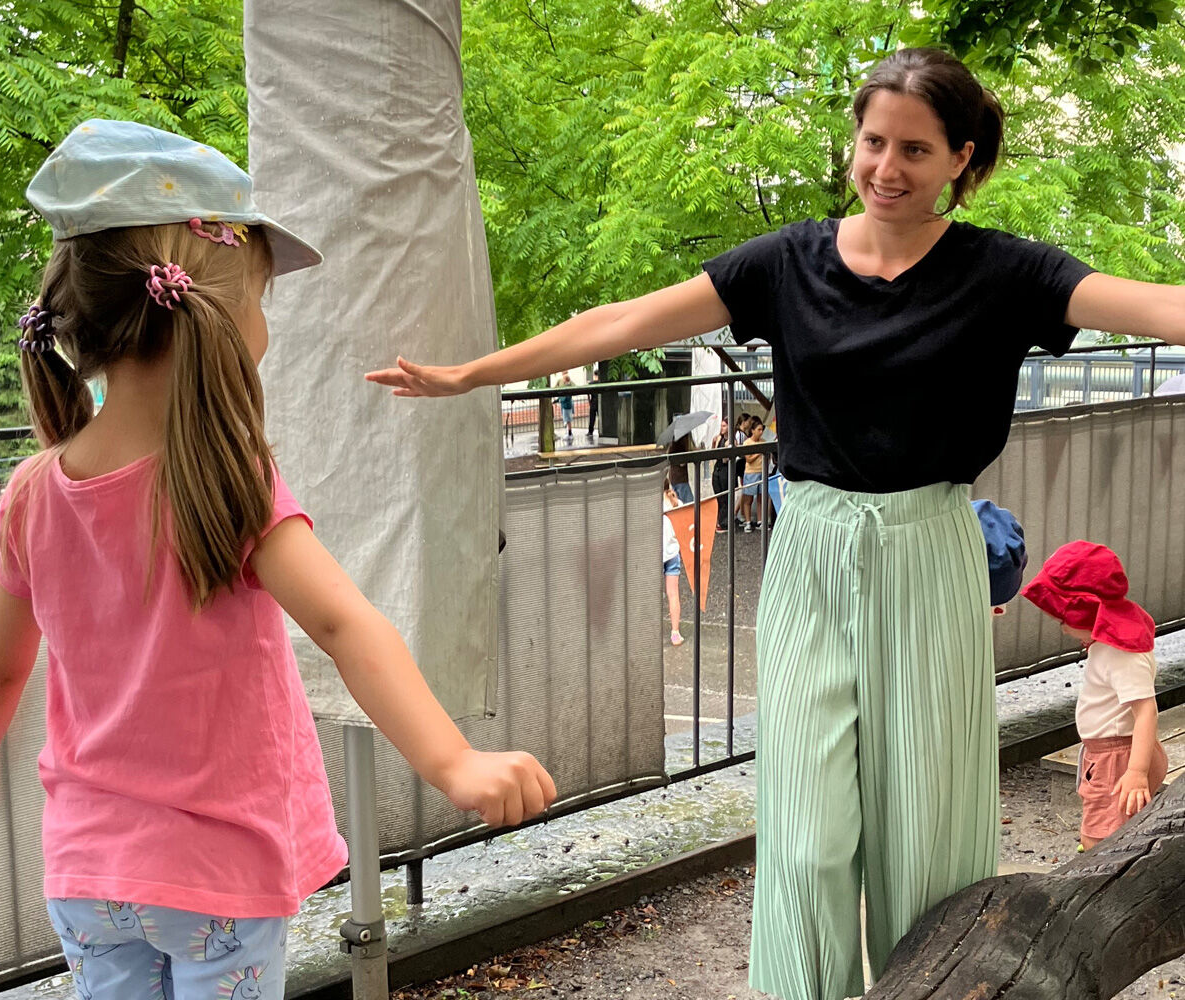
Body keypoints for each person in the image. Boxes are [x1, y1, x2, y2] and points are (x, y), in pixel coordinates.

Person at [366, 46, 1185, 1000]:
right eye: (874, 142)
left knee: (927, 825)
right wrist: (471, 375)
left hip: (928, 549)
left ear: (962, 158)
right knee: (804, 828)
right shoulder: (788, 260)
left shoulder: (1004, 272)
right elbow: (625, 322)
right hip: (811, 547)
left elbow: (1153, 305)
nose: (887, 168)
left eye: (915, 150)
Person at [0, 120, 557, 1000]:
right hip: (217, 869)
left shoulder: (30, 492)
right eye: (260, 297)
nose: (264, 321)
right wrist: (454, 762)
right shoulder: (228, 477)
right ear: (208, 312)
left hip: (88, 873)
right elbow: (343, 623)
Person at [1022, 541, 1168, 851]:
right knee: (1119, 827)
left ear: (1086, 609)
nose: (1061, 627)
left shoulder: (1120, 652)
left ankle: (1095, 875)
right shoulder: (1113, 641)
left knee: (1100, 837)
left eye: (1063, 617)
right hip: (1117, 752)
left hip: (1118, 757)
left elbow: (1145, 711)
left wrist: (1136, 772)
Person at [662, 480, 685, 646]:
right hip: (672, 553)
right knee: (673, 594)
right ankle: (675, 633)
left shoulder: (648, 504)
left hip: (653, 554)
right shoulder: (676, 503)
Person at [738, 416, 767, 532]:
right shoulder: (747, 443)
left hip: (762, 471)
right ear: (752, 430)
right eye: (759, 430)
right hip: (750, 473)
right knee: (748, 499)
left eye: (762, 430)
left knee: (761, 498)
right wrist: (759, 453)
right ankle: (748, 521)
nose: (761, 432)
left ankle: (760, 521)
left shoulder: (763, 442)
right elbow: (748, 459)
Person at [555, 370, 575, 440]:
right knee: (566, 419)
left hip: (566, 405)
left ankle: (569, 433)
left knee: (567, 420)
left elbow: (566, 397)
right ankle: (568, 433)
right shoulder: (562, 382)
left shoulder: (568, 386)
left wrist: (560, 400)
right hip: (565, 405)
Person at [586, 366, 602, 441]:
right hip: (599, 401)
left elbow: (588, 394)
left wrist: (589, 402)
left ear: (594, 375)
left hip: (593, 402)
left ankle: (590, 431)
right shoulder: (600, 383)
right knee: (601, 417)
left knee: (592, 417)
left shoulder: (591, 383)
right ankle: (601, 431)